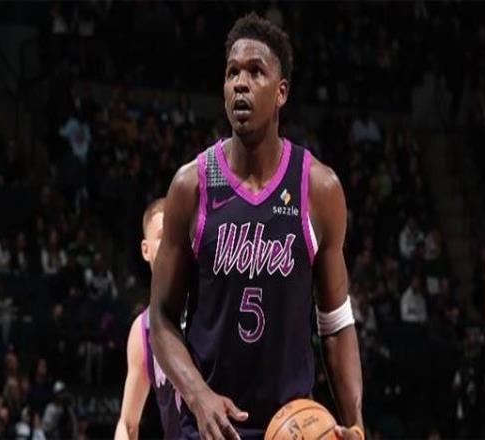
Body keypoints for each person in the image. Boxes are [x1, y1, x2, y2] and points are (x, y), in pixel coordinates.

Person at [151, 13, 364, 439]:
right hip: (210, 428)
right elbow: (161, 318)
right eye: (232, 73)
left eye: (255, 72)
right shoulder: (191, 186)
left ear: (281, 92)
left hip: (292, 427)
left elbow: (336, 324)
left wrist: (357, 423)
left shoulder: (318, 189)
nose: (240, 84)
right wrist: (198, 395)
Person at [115, 198, 180, 440]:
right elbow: (128, 423)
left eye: (178, 235)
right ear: (146, 250)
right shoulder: (143, 330)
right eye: (163, 236)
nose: (172, 243)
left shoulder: (212, 308)